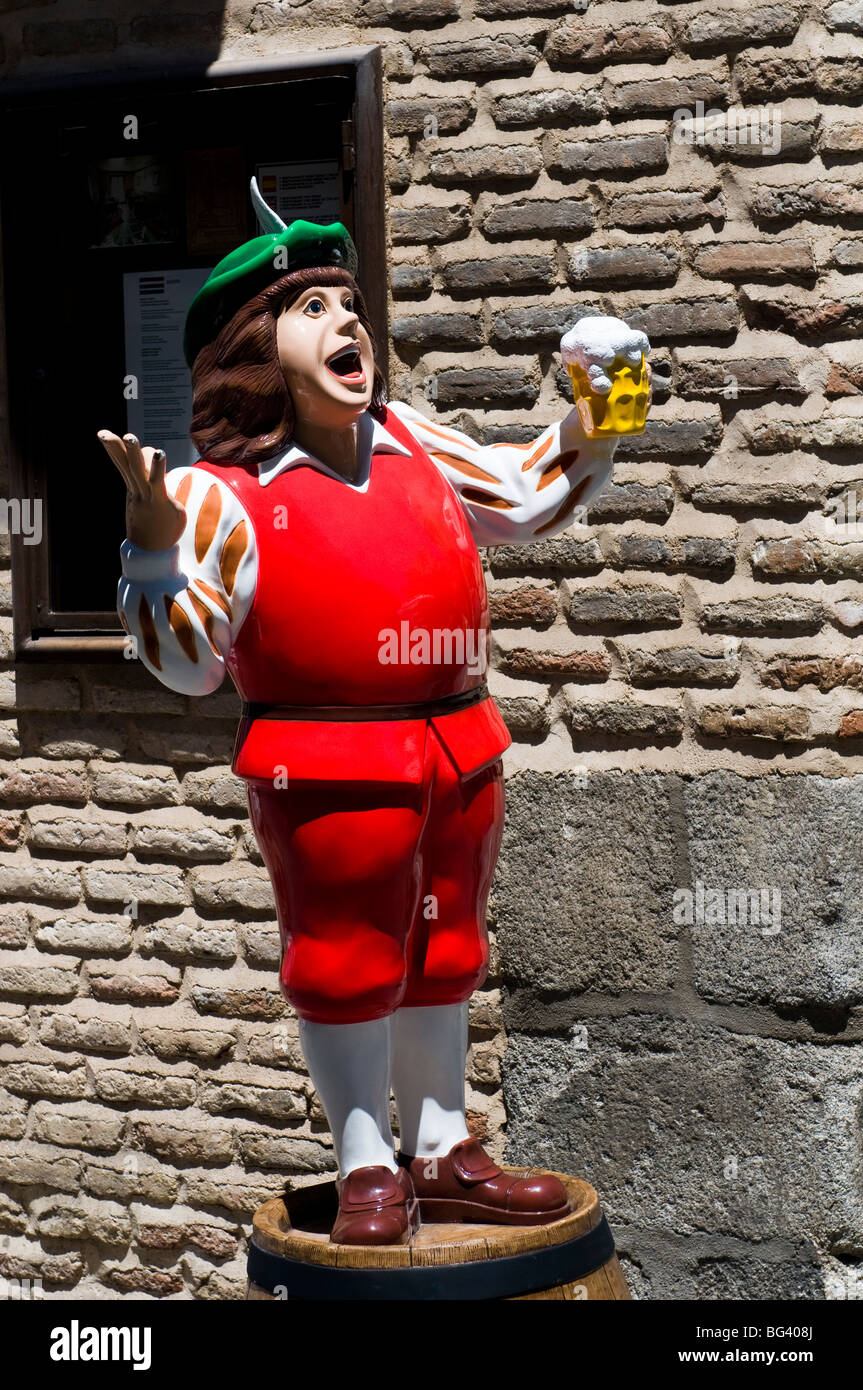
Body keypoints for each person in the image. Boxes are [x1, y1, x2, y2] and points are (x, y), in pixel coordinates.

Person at [99, 180, 651, 1245]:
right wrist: (154, 543)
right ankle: (365, 1163)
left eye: (348, 306)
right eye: (312, 310)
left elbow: (527, 492)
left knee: (444, 948)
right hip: (327, 760)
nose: (347, 323)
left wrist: (606, 402)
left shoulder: (412, 439)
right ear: (253, 348)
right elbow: (185, 666)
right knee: (346, 955)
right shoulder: (226, 492)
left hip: (456, 741)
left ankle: (439, 1148)